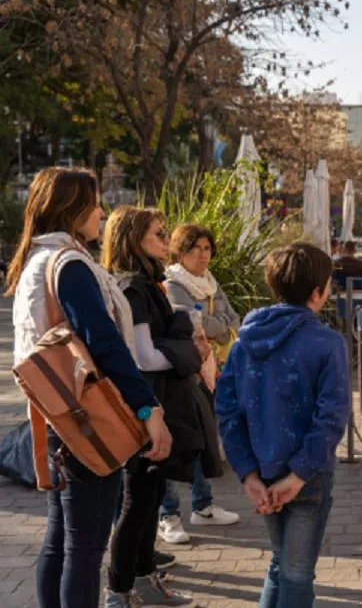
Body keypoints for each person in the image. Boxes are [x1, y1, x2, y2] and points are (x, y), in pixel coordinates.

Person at [9, 168, 170, 608]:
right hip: (87, 419)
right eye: (95, 202)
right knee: (84, 547)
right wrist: (147, 407)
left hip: (56, 415)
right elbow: (105, 344)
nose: (102, 211)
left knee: (61, 540)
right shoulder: (70, 265)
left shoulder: (35, 263)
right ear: (71, 208)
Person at [215, 243, 350, 608]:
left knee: (282, 563)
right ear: (317, 292)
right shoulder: (327, 343)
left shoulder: (244, 341)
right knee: (296, 571)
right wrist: (299, 474)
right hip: (308, 475)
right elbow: (333, 416)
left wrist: (247, 474)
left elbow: (227, 411)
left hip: (264, 470)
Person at [104, 207, 224, 607]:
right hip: (146, 405)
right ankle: (118, 590)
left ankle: (142, 578)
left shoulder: (148, 283)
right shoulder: (133, 288)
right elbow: (144, 357)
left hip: (158, 402)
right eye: (158, 233)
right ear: (135, 238)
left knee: (149, 496)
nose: (165, 238)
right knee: (137, 501)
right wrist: (186, 349)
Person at [157, 224, 241, 545]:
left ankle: (202, 505)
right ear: (181, 251)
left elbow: (232, 317)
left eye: (208, 248)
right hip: (183, 371)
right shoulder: (173, 283)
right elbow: (191, 322)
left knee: (202, 436)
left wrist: (215, 324)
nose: (204, 254)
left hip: (212, 370)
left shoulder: (210, 283)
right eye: (197, 248)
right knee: (179, 440)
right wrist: (218, 324)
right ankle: (168, 514)